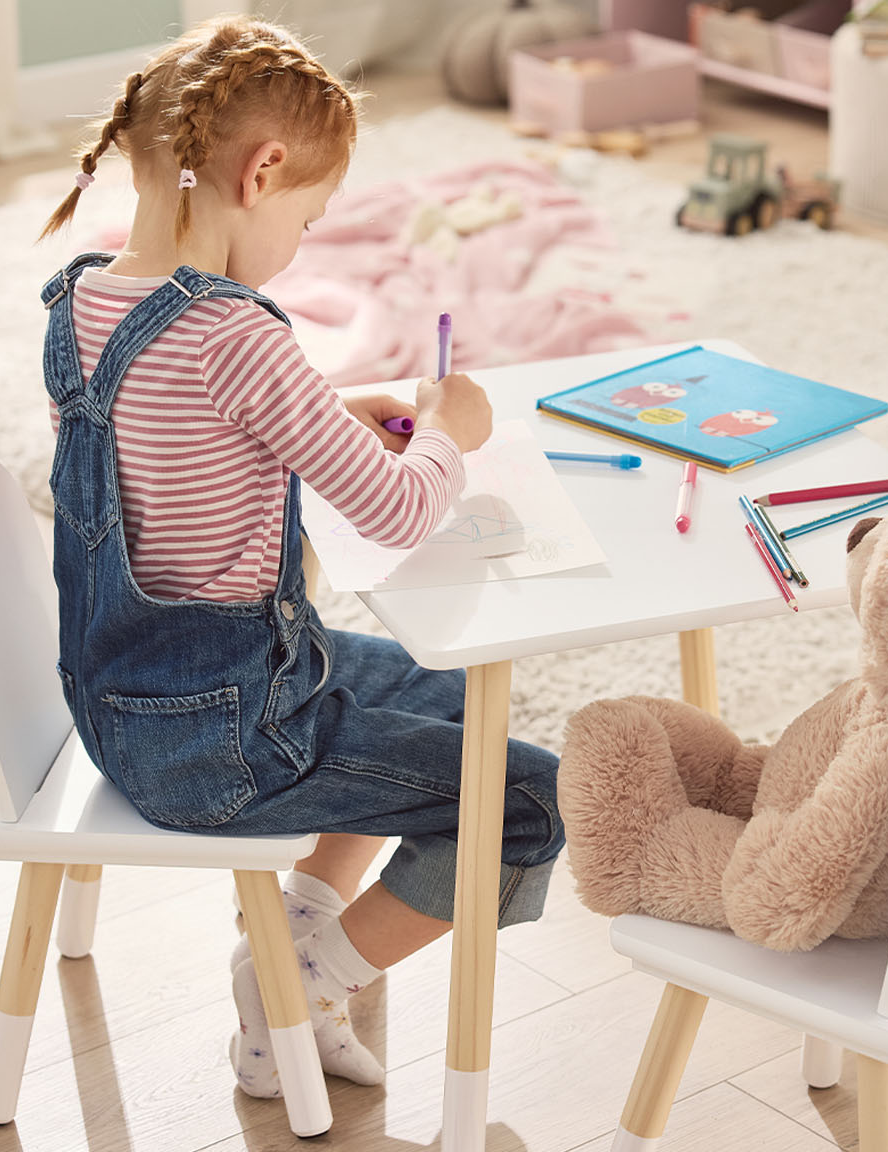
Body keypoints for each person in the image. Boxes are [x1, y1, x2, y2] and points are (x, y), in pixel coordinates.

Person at [35, 16, 564, 1098]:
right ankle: (301, 982)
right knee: (528, 800)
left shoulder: (82, 299)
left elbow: (169, 420)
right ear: (261, 170)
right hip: (236, 736)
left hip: (126, 709)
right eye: (309, 218)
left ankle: (299, 927)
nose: (305, 243)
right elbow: (395, 511)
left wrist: (318, 409)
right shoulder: (239, 336)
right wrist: (453, 433)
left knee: (465, 699)